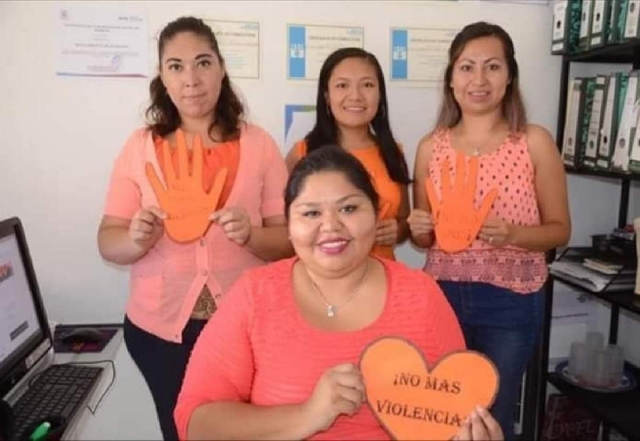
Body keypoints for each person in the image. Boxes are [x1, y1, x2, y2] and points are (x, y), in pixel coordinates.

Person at [174, 146, 504, 441]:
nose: (330, 226)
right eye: (311, 213)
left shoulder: (422, 295)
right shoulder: (254, 295)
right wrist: (307, 416)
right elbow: (196, 423)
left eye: (348, 209)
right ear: (289, 226)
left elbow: (452, 414)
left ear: (376, 215)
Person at [97, 16, 291, 440]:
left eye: (203, 63)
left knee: (244, 433)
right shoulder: (139, 147)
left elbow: (290, 239)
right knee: (181, 432)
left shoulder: (259, 144)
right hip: (160, 328)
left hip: (244, 326)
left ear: (221, 68)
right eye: (176, 66)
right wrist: (134, 240)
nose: (191, 79)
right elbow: (107, 240)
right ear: (162, 77)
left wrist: (253, 236)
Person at [408, 22, 571, 440]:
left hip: (511, 301)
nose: (478, 80)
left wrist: (513, 235)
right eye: (466, 68)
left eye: (492, 67)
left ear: (510, 75)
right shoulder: (431, 146)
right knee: (444, 414)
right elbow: (424, 240)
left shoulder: (533, 142)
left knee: (491, 416)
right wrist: (418, 227)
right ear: (451, 78)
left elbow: (560, 231)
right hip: (442, 296)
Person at [285, 48, 411, 261]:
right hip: (322, 280)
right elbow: (284, 227)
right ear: (326, 95)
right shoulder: (303, 154)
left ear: (380, 95)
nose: (356, 96)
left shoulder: (393, 152)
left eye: (367, 85)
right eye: (342, 85)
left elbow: (404, 220)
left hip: (380, 278)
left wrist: (396, 230)